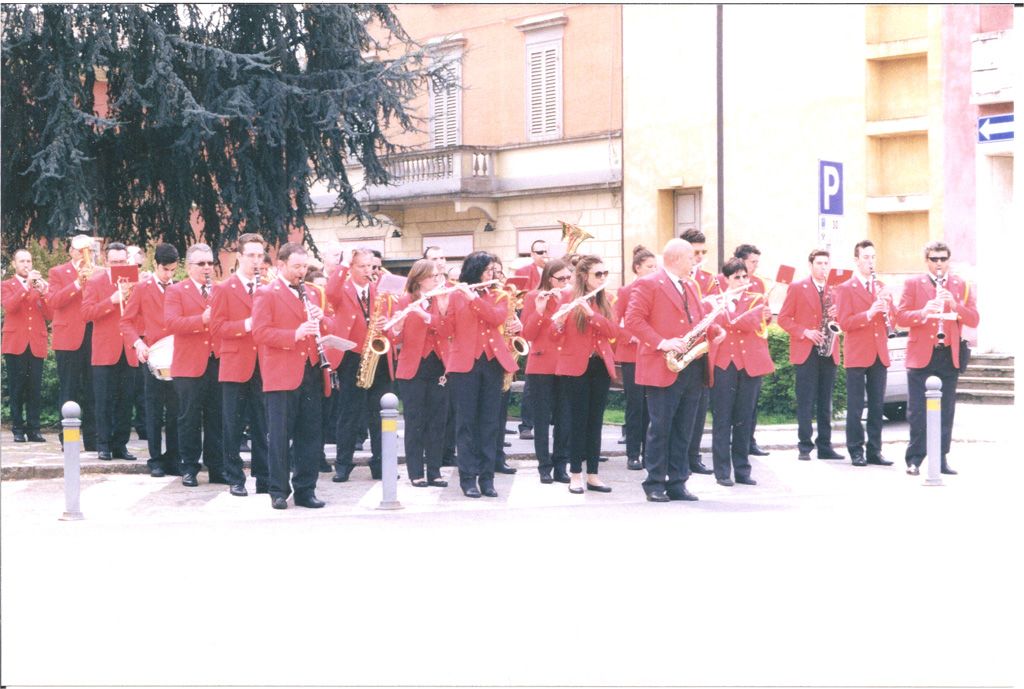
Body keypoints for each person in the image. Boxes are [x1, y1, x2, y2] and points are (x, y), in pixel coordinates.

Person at [625, 238, 724, 503]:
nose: (695, 261)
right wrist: (661, 342)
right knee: (661, 427)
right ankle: (655, 482)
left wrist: (714, 331)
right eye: (692, 257)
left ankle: (678, 481)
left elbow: (698, 319)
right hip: (663, 363)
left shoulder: (690, 285)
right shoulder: (648, 284)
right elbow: (633, 321)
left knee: (684, 428)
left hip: (691, 364)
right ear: (677, 259)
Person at [252, 242, 331, 509]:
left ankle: (306, 489)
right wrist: (294, 335)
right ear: (281, 265)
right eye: (296, 267)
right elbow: (260, 333)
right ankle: (277, 489)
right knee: (279, 434)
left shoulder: (312, 291)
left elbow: (327, 326)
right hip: (281, 373)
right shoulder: (266, 293)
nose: (301, 271)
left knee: (309, 434)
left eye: (305, 266)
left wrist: (321, 319)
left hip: (310, 371)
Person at [896, 241, 979, 476]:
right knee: (917, 411)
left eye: (943, 258)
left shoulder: (960, 284)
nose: (939, 263)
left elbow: (973, 319)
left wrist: (956, 305)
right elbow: (900, 317)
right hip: (921, 354)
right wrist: (923, 312)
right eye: (934, 259)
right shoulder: (913, 284)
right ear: (927, 261)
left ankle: (941, 458)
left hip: (948, 354)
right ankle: (914, 459)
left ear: (948, 260)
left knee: (946, 411)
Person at [445, 251, 517, 498]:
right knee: (465, 423)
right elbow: (446, 329)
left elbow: (496, 317)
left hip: (491, 363)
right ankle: (468, 477)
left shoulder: (498, 295)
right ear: (475, 271)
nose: (492, 275)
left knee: (489, 422)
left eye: (493, 271)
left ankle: (487, 478)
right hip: (464, 364)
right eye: (487, 271)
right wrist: (438, 307)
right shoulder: (455, 295)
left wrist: (473, 298)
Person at [209, 233, 271, 497]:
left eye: (260, 256)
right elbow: (216, 327)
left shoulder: (268, 287)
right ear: (239, 257)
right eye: (251, 256)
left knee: (263, 423)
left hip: (264, 363)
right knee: (232, 425)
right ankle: (235, 477)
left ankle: (264, 476)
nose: (256, 261)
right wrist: (246, 325)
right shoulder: (224, 288)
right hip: (235, 362)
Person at [326, 247, 395, 482]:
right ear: (352, 268)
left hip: (378, 355)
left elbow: (393, 322)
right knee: (349, 414)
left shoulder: (381, 291)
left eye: (371, 266)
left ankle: (381, 464)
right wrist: (343, 264)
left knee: (380, 414)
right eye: (362, 266)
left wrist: (388, 323)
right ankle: (343, 464)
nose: (368, 271)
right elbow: (330, 291)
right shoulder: (342, 288)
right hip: (352, 356)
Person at [550, 254, 617, 494]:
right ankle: (575, 474)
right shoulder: (568, 297)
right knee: (577, 421)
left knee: (595, 422)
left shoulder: (606, 299)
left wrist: (591, 315)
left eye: (604, 273)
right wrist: (558, 323)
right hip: (575, 367)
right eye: (597, 274)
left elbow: (613, 331)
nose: (602, 278)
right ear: (583, 276)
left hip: (599, 366)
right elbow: (554, 335)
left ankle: (593, 475)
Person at [164, 243, 226, 486]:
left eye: (210, 263)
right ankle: (189, 467)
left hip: (216, 361)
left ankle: (217, 467)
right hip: (189, 364)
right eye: (201, 264)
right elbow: (171, 323)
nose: (207, 268)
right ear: (189, 267)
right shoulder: (176, 291)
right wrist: (201, 319)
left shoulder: (219, 290)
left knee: (217, 416)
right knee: (188, 417)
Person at [708, 258, 774, 486]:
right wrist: (723, 310)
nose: (742, 281)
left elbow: (750, 323)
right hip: (724, 364)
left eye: (745, 276)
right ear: (726, 279)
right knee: (722, 418)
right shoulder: (715, 301)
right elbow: (712, 326)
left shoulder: (757, 298)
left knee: (744, 419)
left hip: (750, 364)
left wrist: (733, 319)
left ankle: (743, 470)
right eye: (737, 277)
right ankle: (722, 472)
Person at [388, 259, 452, 487]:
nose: (437, 280)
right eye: (433, 276)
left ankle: (434, 471)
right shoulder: (404, 301)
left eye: (438, 276)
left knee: (437, 421)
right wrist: (397, 326)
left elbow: (448, 329)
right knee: (415, 421)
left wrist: (430, 317)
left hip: (439, 366)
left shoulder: (442, 299)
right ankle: (416, 472)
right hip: (413, 368)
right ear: (420, 279)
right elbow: (394, 338)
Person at [777, 249, 845, 461]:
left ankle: (825, 446)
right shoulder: (797, 287)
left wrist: (838, 316)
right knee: (806, 400)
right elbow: (783, 318)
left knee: (826, 402)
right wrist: (805, 332)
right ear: (811, 265)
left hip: (828, 348)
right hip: (806, 349)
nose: (823, 268)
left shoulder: (835, 291)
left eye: (826, 264)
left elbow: (844, 320)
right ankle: (804, 446)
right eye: (819, 263)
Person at [120, 243, 180, 477]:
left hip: (176, 356)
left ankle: (173, 457)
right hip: (152, 355)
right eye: (165, 269)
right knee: (153, 409)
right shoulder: (143, 288)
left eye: (173, 270)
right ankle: (155, 459)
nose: (169, 275)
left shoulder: (178, 287)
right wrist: (138, 343)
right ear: (155, 265)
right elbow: (126, 321)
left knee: (176, 410)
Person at [834, 239, 895, 468]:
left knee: (878, 406)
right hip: (858, 353)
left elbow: (893, 320)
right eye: (866, 258)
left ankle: (875, 451)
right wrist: (869, 313)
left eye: (873, 257)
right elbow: (844, 322)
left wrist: (889, 305)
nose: (870, 262)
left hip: (879, 352)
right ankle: (855, 450)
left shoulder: (880, 285)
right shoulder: (845, 288)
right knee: (856, 405)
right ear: (856, 260)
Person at [81, 242, 139, 461]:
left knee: (126, 400)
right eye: (114, 262)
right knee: (103, 400)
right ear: (106, 262)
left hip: (128, 348)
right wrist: (111, 301)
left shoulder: (135, 281)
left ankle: (120, 445)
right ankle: (103, 444)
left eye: (122, 261)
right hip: (105, 350)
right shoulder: (96, 281)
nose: (119, 265)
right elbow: (86, 313)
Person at [521, 259, 573, 483]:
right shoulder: (534, 297)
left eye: (568, 278)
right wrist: (540, 311)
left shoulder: (572, 297)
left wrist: (563, 308)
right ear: (549, 278)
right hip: (541, 364)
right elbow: (528, 334)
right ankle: (544, 466)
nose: (565, 282)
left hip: (565, 364)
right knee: (541, 419)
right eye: (560, 279)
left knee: (565, 418)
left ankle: (561, 465)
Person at [47, 234, 98, 450]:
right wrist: (78, 282)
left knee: (93, 389)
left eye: (90, 249)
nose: (86, 253)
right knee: (69, 389)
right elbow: (53, 301)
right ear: (72, 252)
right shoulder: (58, 272)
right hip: (68, 338)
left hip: (93, 334)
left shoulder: (98, 272)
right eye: (81, 249)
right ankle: (68, 441)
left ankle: (94, 440)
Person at [2, 249, 52, 442]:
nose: (26, 265)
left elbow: (50, 315)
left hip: (36, 343)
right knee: (17, 388)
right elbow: (9, 306)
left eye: (29, 261)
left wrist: (44, 294)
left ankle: (34, 429)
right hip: (16, 343)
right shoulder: (7, 285)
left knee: (34, 388)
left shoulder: (40, 286)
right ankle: (17, 428)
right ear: (14, 265)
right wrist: (26, 288)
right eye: (22, 261)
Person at [614, 245, 656, 471]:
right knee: (635, 405)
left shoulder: (657, 289)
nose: (653, 270)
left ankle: (648, 452)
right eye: (649, 267)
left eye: (655, 267)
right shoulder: (626, 291)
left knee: (652, 405)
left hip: (653, 354)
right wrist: (634, 338)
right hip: (632, 355)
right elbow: (615, 322)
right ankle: (632, 453)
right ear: (637, 268)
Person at [680, 229, 718, 475]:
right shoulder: (677, 277)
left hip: (702, 350)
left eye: (703, 252)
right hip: (681, 348)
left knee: (699, 406)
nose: (700, 257)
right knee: (678, 409)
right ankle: (679, 457)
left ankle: (693, 455)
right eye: (696, 252)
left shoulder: (708, 278)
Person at [732, 243, 770, 457]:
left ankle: (749, 440)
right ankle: (734, 440)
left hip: (754, 346)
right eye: (752, 262)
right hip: (735, 347)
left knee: (751, 400)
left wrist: (765, 315)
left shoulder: (758, 283)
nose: (755, 267)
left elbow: (762, 314)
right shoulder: (726, 280)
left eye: (757, 262)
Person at [126, 245, 148, 439]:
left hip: (144, 334)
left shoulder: (146, 280)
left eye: (139, 264)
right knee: (129, 385)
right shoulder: (123, 281)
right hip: (128, 335)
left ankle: (144, 426)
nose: (137, 269)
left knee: (143, 386)